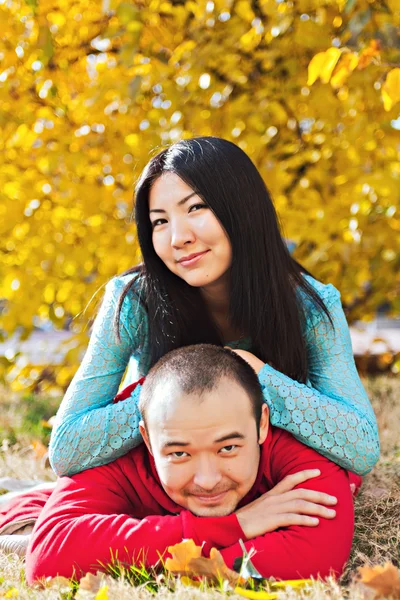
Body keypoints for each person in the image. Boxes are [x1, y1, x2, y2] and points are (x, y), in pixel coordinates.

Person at [48, 136, 379, 479]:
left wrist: (258, 376)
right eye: (159, 221)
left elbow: (362, 446)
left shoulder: (309, 305)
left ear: (242, 208)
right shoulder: (133, 301)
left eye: (195, 208)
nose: (178, 237)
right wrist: (169, 395)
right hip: (166, 476)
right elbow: (66, 449)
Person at [25, 345, 354, 583]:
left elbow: (314, 561)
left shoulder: (296, 445)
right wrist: (236, 526)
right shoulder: (117, 451)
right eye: (179, 454)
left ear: (262, 426)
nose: (208, 480)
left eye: (227, 448)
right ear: (148, 440)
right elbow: (47, 557)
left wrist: (193, 572)